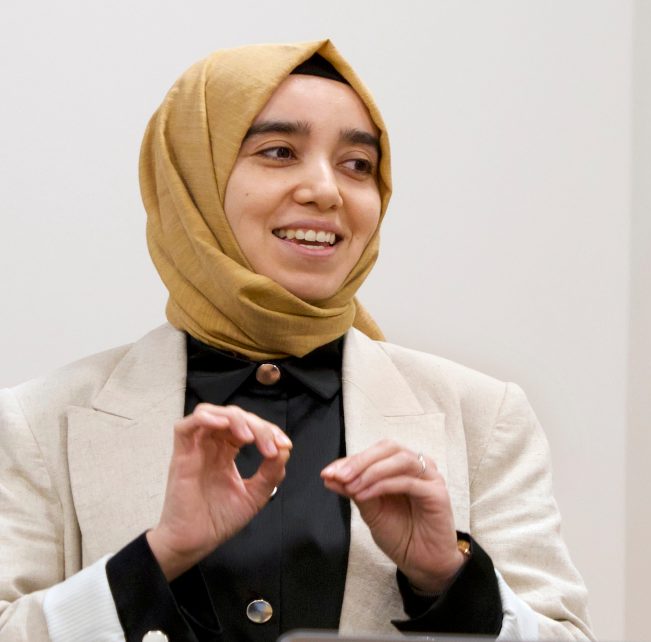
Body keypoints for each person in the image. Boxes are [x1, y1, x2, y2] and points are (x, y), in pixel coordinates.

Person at [0, 41, 589, 640]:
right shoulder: (36, 423)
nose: (327, 190)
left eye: (357, 164)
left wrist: (450, 577)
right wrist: (154, 559)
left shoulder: (483, 416)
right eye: (279, 152)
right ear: (192, 179)